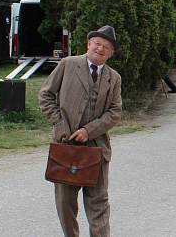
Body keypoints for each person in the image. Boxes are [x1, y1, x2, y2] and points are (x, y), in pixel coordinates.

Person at [38, 25, 122, 237]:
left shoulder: (114, 78)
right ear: (89, 44)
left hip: (97, 150)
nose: (100, 49)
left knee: (99, 204)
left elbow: (115, 112)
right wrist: (60, 125)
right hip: (66, 146)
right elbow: (45, 96)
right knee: (65, 203)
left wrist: (89, 130)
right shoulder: (68, 65)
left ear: (111, 53)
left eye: (106, 47)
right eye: (97, 44)